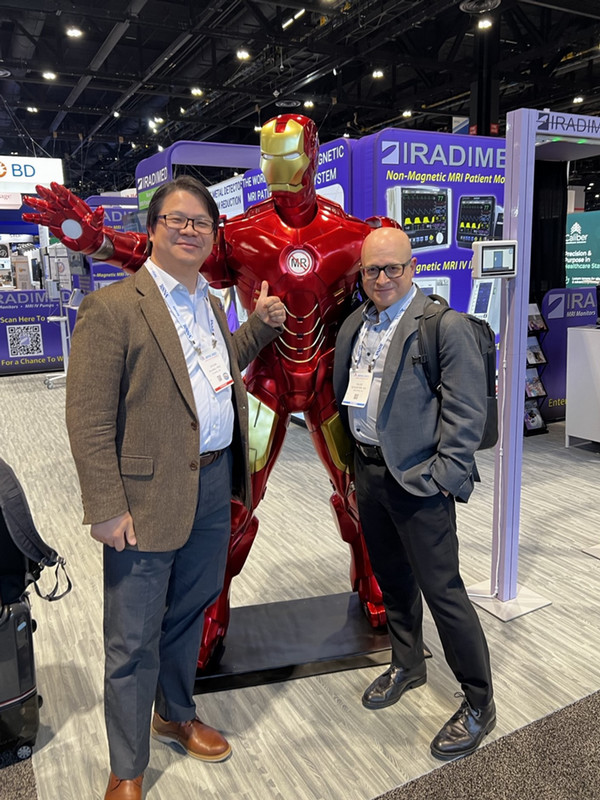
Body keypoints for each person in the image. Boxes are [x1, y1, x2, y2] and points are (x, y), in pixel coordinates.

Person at [23, 114, 400, 671]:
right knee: (231, 508)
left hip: (329, 389)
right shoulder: (243, 233)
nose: (278, 169)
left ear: (313, 154)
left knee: (362, 496)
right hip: (264, 387)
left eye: (288, 154)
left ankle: (378, 588)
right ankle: (207, 614)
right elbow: (163, 257)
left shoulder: (352, 235)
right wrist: (98, 240)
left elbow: (392, 284)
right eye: (268, 156)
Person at [64, 175, 285, 799]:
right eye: (177, 220)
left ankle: (176, 714)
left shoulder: (209, 303)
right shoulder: (112, 308)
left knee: (190, 613)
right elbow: (87, 417)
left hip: (214, 484)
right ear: (154, 228)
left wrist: (261, 327)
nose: (190, 230)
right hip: (143, 496)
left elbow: (212, 378)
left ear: (212, 236)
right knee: (132, 637)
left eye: (201, 223)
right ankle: (127, 768)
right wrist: (105, 507)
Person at [333, 226, 495, 761]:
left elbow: (467, 414)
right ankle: (408, 663)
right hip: (371, 475)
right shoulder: (357, 324)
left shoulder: (443, 327)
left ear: (411, 267)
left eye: (392, 268)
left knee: (443, 591)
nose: (381, 278)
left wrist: (443, 476)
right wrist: (357, 468)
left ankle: (478, 702)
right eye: (372, 270)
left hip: (421, 482)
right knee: (393, 581)